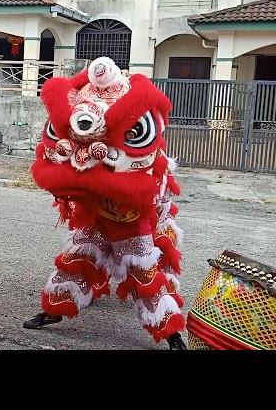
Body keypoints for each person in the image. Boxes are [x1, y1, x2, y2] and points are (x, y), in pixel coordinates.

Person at [22, 57, 187, 350]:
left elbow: (143, 174)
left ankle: (172, 334)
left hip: (128, 218)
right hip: (97, 215)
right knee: (77, 261)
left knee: (143, 273)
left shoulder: (132, 141)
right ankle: (54, 311)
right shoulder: (80, 133)